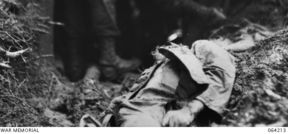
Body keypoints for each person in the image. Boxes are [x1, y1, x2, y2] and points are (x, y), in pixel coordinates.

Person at [101, 40, 236, 127]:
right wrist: (117, 105)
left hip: (145, 119)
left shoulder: (202, 46)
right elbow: (144, 96)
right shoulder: (165, 65)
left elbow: (222, 69)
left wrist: (189, 110)